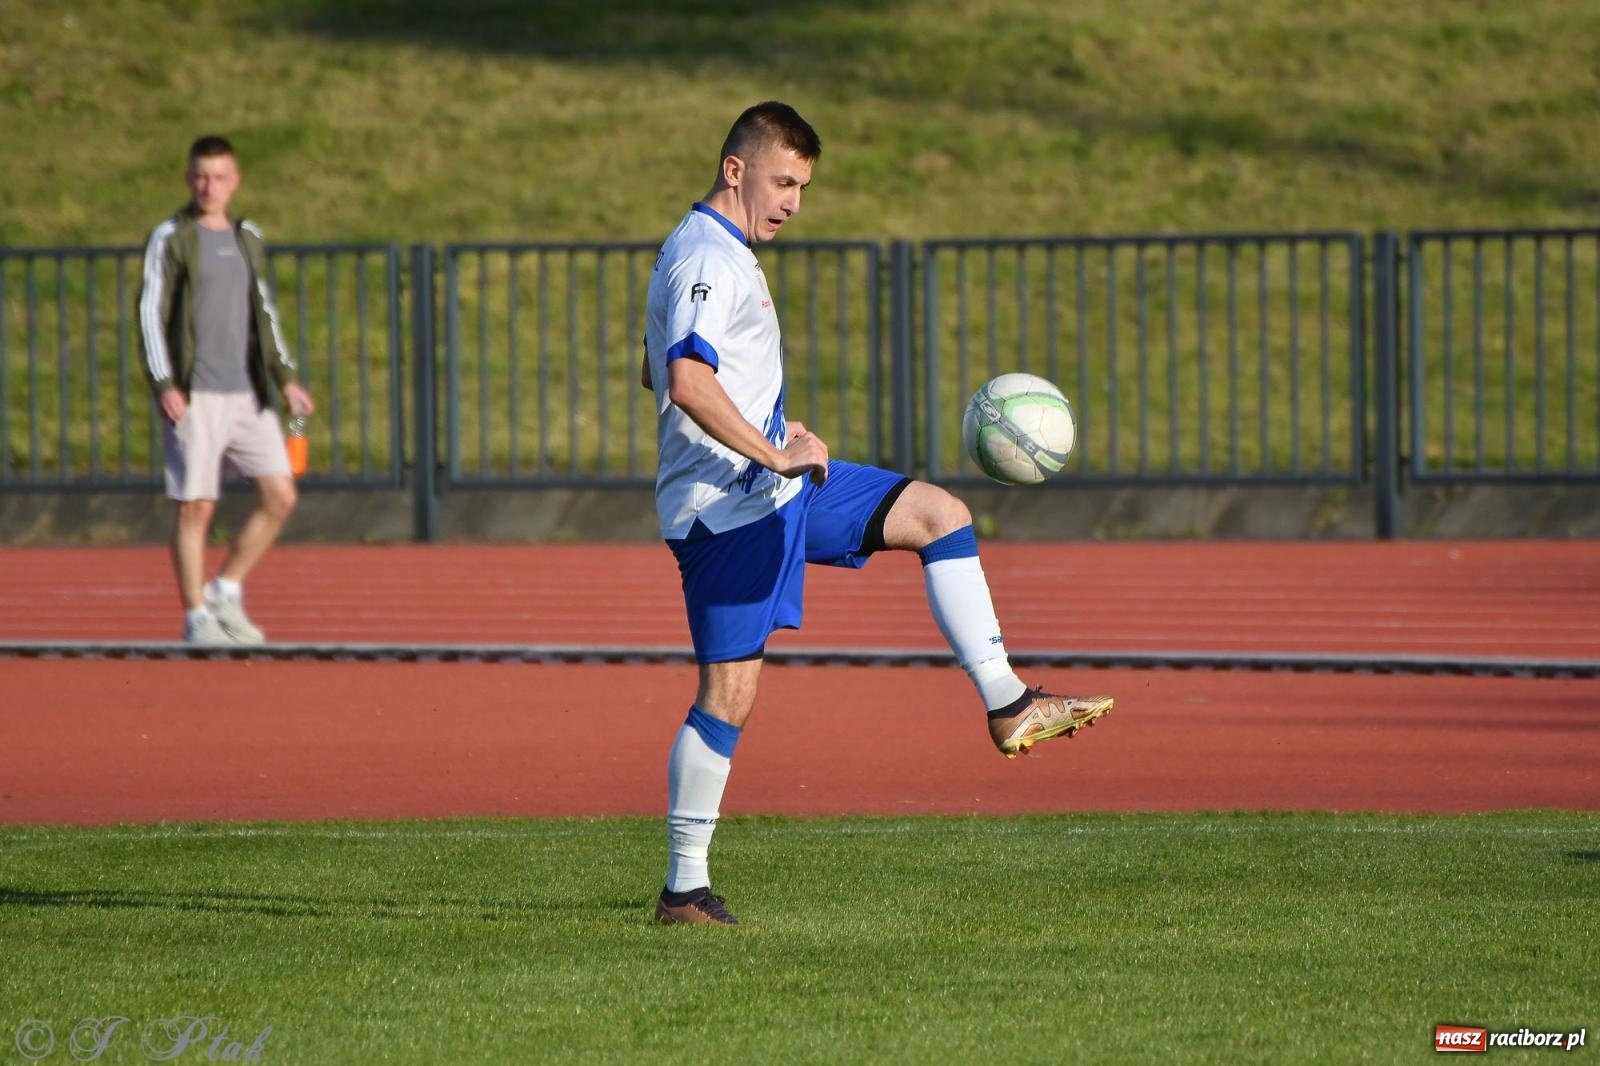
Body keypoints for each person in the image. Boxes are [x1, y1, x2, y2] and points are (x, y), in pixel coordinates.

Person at [640, 102, 1114, 926]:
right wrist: (774, 449)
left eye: (803, 187)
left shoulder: (720, 254)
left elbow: (659, 372)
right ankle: (684, 888)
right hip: (726, 513)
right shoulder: (705, 259)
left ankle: (1008, 704)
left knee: (939, 513)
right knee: (729, 694)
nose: (792, 200)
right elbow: (684, 381)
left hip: (773, 488)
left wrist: (771, 437)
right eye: (782, 180)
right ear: (735, 170)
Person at [138, 135, 314, 644]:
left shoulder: (246, 236)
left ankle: (226, 590)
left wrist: (286, 380)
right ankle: (196, 616)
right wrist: (165, 383)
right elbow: (150, 312)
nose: (207, 186)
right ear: (188, 178)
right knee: (196, 505)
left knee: (280, 493)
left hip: (247, 392)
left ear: (234, 181)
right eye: (199, 176)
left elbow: (265, 313)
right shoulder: (172, 236)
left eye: (218, 177)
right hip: (196, 394)